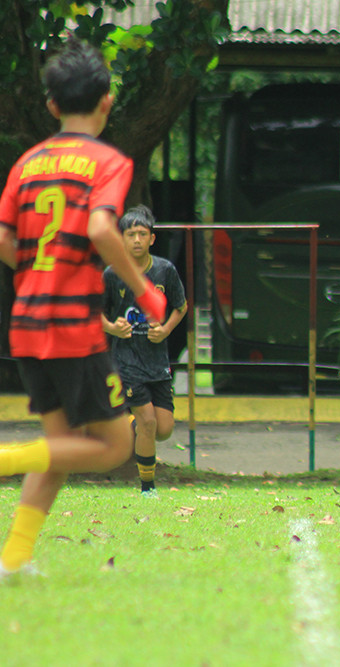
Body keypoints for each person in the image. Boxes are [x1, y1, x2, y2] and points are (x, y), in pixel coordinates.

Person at [0, 36, 167, 577]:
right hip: (72, 327)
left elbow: (5, 238)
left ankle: (15, 557)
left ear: (51, 106)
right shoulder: (108, 161)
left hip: (26, 322)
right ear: (106, 102)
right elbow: (100, 227)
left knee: (62, 447)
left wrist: (38, 271)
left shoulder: (27, 163)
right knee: (113, 446)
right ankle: (4, 460)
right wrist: (145, 291)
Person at [102, 205, 187, 497]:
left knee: (163, 429)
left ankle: (127, 421)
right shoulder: (113, 274)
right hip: (125, 363)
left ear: (152, 239)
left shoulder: (165, 270)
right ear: (121, 239)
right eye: (130, 234)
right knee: (148, 422)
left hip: (157, 363)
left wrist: (165, 329)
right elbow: (93, 314)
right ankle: (148, 488)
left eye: (142, 234)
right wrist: (112, 328)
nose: (136, 239)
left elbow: (181, 306)